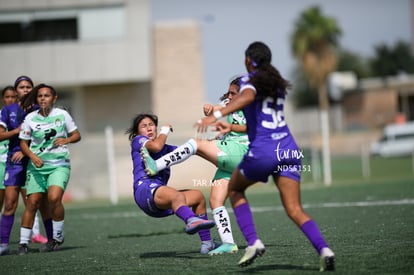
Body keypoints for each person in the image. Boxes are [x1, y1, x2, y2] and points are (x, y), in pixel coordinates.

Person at [196, 41, 335, 271]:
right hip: (288, 148)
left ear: (249, 60)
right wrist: (231, 127)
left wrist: (217, 113)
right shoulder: (276, 82)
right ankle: (324, 249)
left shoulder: (249, 82)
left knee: (234, 189)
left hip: (266, 150)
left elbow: (247, 96)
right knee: (294, 209)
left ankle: (253, 242)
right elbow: (257, 119)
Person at [141, 77, 248, 255]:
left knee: (196, 144)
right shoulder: (228, 104)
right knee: (216, 201)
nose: (229, 96)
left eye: (233, 93)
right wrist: (211, 110)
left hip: (240, 153)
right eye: (228, 92)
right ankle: (229, 243)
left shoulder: (252, 106)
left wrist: (214, 111)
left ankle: (156, 165)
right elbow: (220, 110)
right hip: (231, 157)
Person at [126, 113, 216, 254]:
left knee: (198, 197)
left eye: (151, 125)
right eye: (144, 126)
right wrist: (165, 130)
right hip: (144, 190)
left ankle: (207, 243)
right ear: (138, 132)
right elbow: (156, 146)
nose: (149, 128)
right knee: (175, 195)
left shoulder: (166, 149)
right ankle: (191, 220)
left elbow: (191, 150)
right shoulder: (138, 140)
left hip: (159, 197)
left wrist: (214, 141)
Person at [16, 83, 81, 254]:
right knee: (32, 203)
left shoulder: (62, 115)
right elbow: (23, 143)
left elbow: (76, 135)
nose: (43, 98)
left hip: (59, 165)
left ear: (54, 98)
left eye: (46, 95)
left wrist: (66, 140)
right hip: (36, 167)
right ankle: (23, 244)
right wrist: (32, 156)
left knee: (53, 198)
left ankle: (57, 238)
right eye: (40, 96)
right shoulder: (30, 118)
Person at [0, 77, 49, 256]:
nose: (26, 89)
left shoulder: (40, 110)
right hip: (14, 163)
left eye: (29, 87)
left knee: (40, 202)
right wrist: (16, 132)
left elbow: (45, 137)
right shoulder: (7, 111)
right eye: (22, 87)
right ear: (16, 90)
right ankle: (3, 244)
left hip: (34, 160)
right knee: (10, 203)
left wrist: (26, 150)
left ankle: (51, 239)